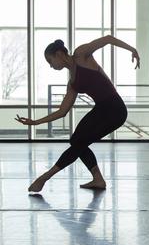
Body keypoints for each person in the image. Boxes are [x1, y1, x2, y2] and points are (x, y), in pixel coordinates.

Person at [16, 36, 140, 192]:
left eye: (50, 61)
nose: (50, 66)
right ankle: (98, 179)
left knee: (79, 143)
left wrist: (132, 49)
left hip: (116, 109)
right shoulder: (72, 83)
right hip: (102, 109)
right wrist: (35, 122)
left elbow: (108, 39)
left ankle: (44, 178)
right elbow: (62, 111)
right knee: (76, 140)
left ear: (59, 55)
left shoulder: (81, 54)